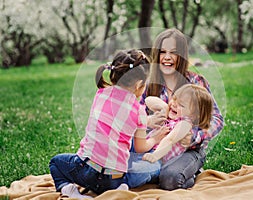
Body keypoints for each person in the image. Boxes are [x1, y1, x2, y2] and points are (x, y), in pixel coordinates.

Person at [49, 49, 168, 198]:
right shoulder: (139, 111)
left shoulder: (100, 94)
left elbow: (114, 121)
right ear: (138, 85)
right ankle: (122, 186)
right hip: (113, 180)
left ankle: (69, 191)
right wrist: (156, 138)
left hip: (84, 171)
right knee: (154, 167)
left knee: (55, 162)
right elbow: (140, 147)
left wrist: (147, 122)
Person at [140, 28, 224, 190]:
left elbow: (217, 119)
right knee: (133, 170)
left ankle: (186, 172)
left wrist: (194, 136)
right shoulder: (149, 86)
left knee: (170, 179)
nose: (167, 57)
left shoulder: (196, 81)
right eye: (162, 52)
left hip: (189, 150)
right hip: (155, 146)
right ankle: (175, 172)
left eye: (173, 52)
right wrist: (149, 121)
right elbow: (133, 118)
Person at [142, 84, 213, 164]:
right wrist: (165, 107)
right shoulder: (170, 116)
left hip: (158, 158)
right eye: (174, 99)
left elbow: (170, 140)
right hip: (146, 148)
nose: (174, 104)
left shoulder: (185, 124)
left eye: (181, 105)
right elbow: (148, 100)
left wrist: (155, 155)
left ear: (194, 115)